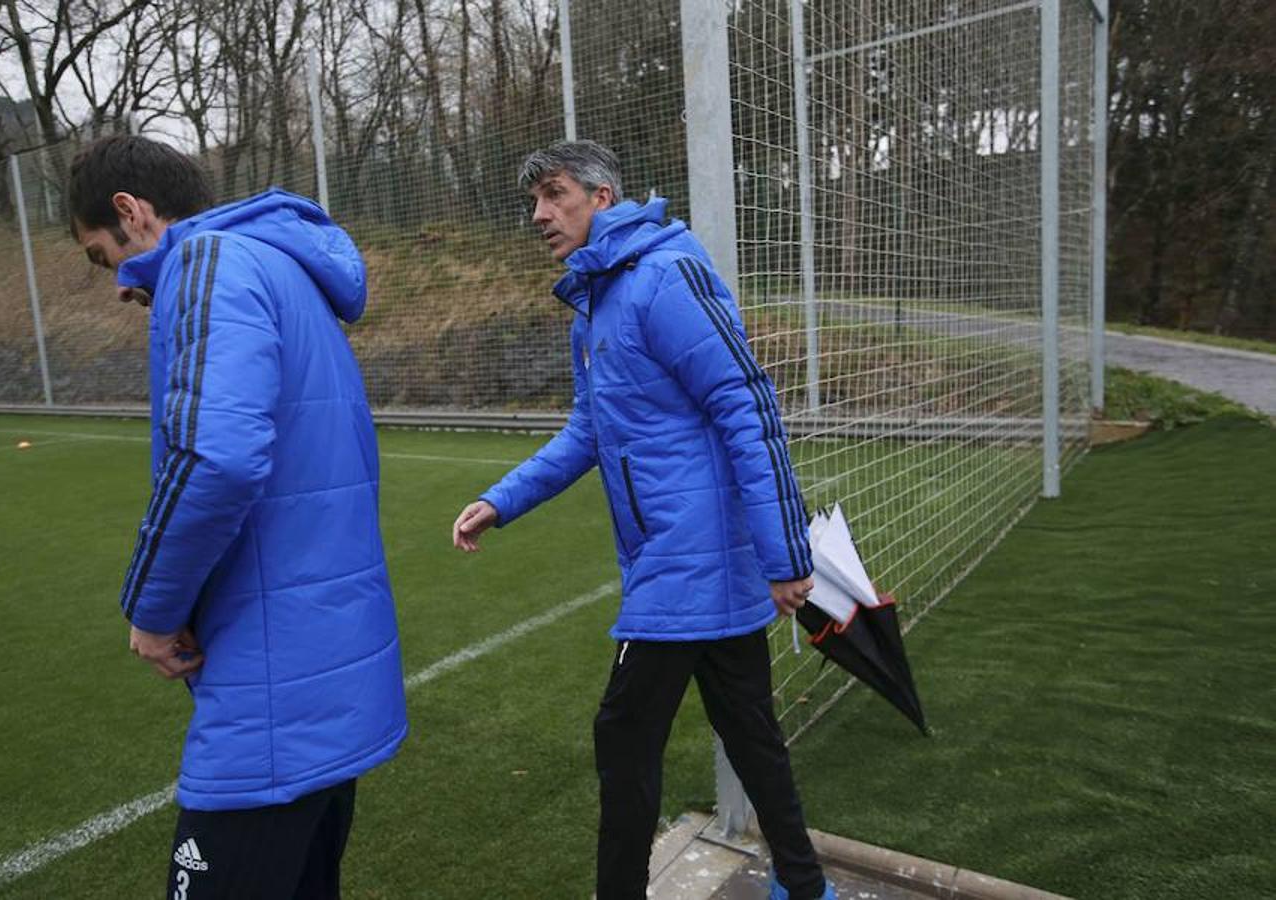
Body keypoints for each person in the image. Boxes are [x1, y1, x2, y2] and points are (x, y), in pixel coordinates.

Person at [451, 140, 833, 900]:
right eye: (534, 201)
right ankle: (805, 884)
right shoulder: (596, 301)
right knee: (751, 733)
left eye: (554, 195)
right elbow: (588, 431)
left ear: (602, 196)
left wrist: (786, 551)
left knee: (622, 737)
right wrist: (504, 498)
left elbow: (746, 403)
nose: (540, 215)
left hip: (683, 558)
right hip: (693, 558)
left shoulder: (663, 275)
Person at [68, 136, 407, 900]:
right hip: (322, 673)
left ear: (132, 211)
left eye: (104, 257)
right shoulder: (284, 268)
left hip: (272, 693)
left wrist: (153, 612)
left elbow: (215, 461)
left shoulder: (206, 264)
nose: (119, 286)